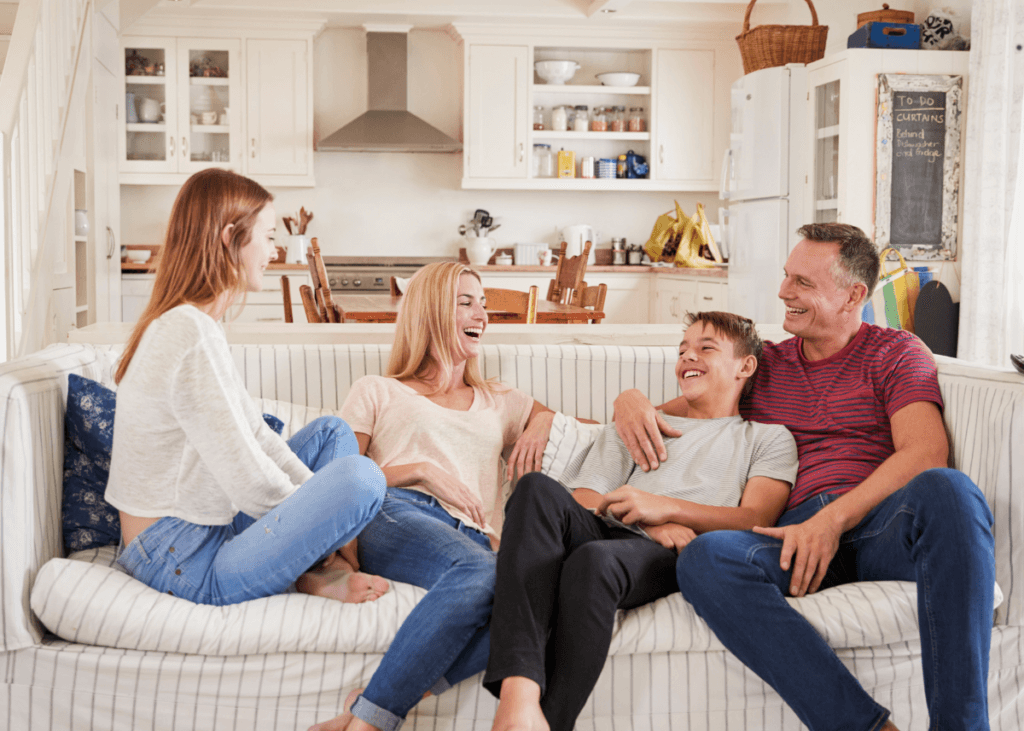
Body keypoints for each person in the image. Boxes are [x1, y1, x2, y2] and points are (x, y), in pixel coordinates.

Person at [613, 223, 996, 731]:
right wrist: (628, 400)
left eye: (803, 284)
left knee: (951, 490)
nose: (783, 293)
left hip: (879, 524)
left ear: (853, 295)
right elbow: (667, 416)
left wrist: (833, 520)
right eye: (787, 276)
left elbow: (926, 452)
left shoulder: (895, 353)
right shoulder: (763, 365)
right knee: (706, 559)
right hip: (792, 537)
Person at [485, 311, 799, 731]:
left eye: (706, 348)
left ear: (745, 366)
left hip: (676, 549)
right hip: (626, 528)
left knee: (594, 563)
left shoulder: (766, 438)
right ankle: (519, 696)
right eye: (683, 349)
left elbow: (755, 517)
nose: (689, 356)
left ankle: (551, 721)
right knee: (535, 488)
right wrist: (647, 521)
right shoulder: (641, 423)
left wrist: (666, 509)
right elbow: (585, 498)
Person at [107, 168, 389, 608]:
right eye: (269, 235)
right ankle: (316, 569)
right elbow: (249, 482)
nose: (274, 251)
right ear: (229, 238)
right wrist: (317, 521)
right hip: (180, 559)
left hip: (194, 532)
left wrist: (316, 519)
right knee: (362, 478)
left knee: (333, 432)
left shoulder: (195, 324)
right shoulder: (188, 333)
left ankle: (311, 569)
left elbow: (255, 434)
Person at [310, 262, 557, 731]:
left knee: (536, 598)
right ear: (427, 313)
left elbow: (570, 427)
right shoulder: (377, 391)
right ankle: (372, 724)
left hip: (473, 537)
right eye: (465, 302)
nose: (481, 313)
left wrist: (544, 419)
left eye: (483, 304)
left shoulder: (500, 398)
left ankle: (370, 705)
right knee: (483, 569)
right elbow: (337, 483)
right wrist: (422, 470)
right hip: (396, 511)